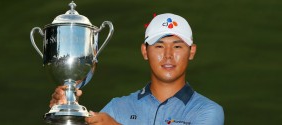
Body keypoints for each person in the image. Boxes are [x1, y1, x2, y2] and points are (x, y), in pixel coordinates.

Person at [50, 13, 224, 125]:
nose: (168, 55)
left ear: (191, 52)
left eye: (177, 47)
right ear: (144, 51)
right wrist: (64, 115)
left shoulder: (207, 111)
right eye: (159, 46)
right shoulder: (117, 107)